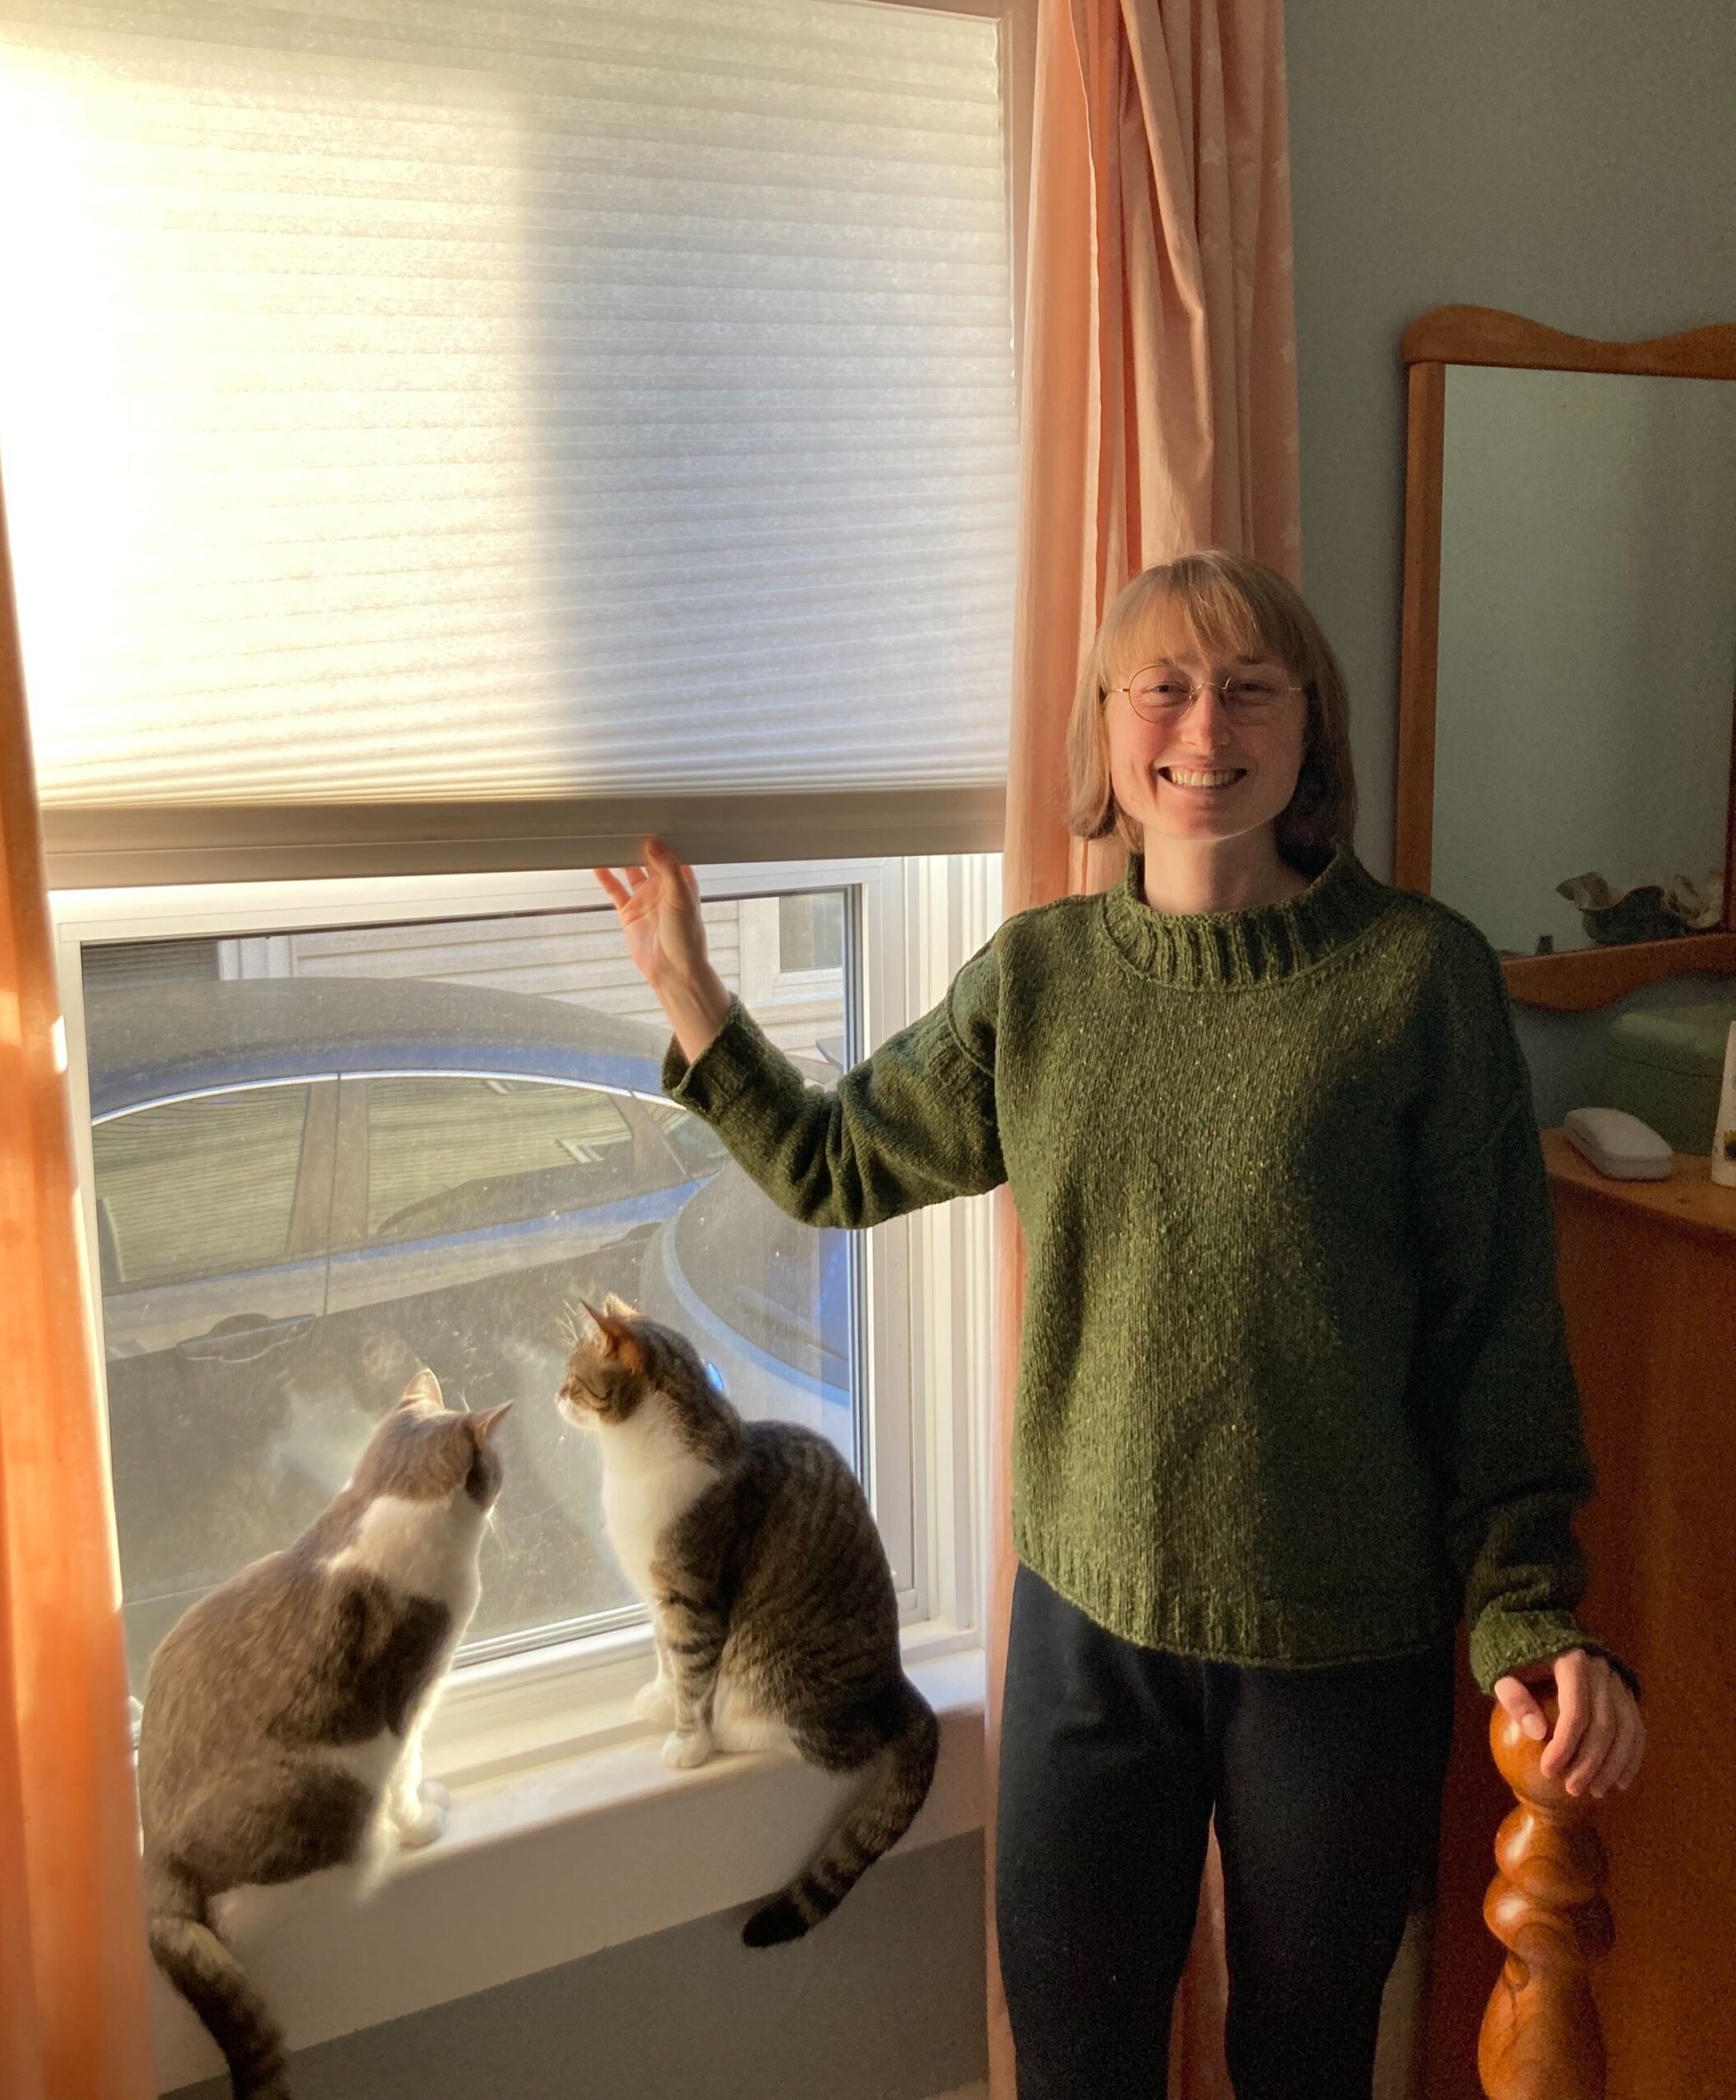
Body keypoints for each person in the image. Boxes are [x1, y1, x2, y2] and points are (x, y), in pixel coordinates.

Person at [595, 548, 1643, 2100]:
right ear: (1106, 726)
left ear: (1310, 727)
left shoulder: (1419, 982)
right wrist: (689, 989)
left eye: (1249, 689)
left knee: (1304, 2067)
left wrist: (1531, 1614)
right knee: (1077, 2063)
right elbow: (833, 1164)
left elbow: (1495, 1341)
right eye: (1163, 686)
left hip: (1343, 1645)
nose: (1203, 727)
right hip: (1087, 1636)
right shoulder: (1041, 983)